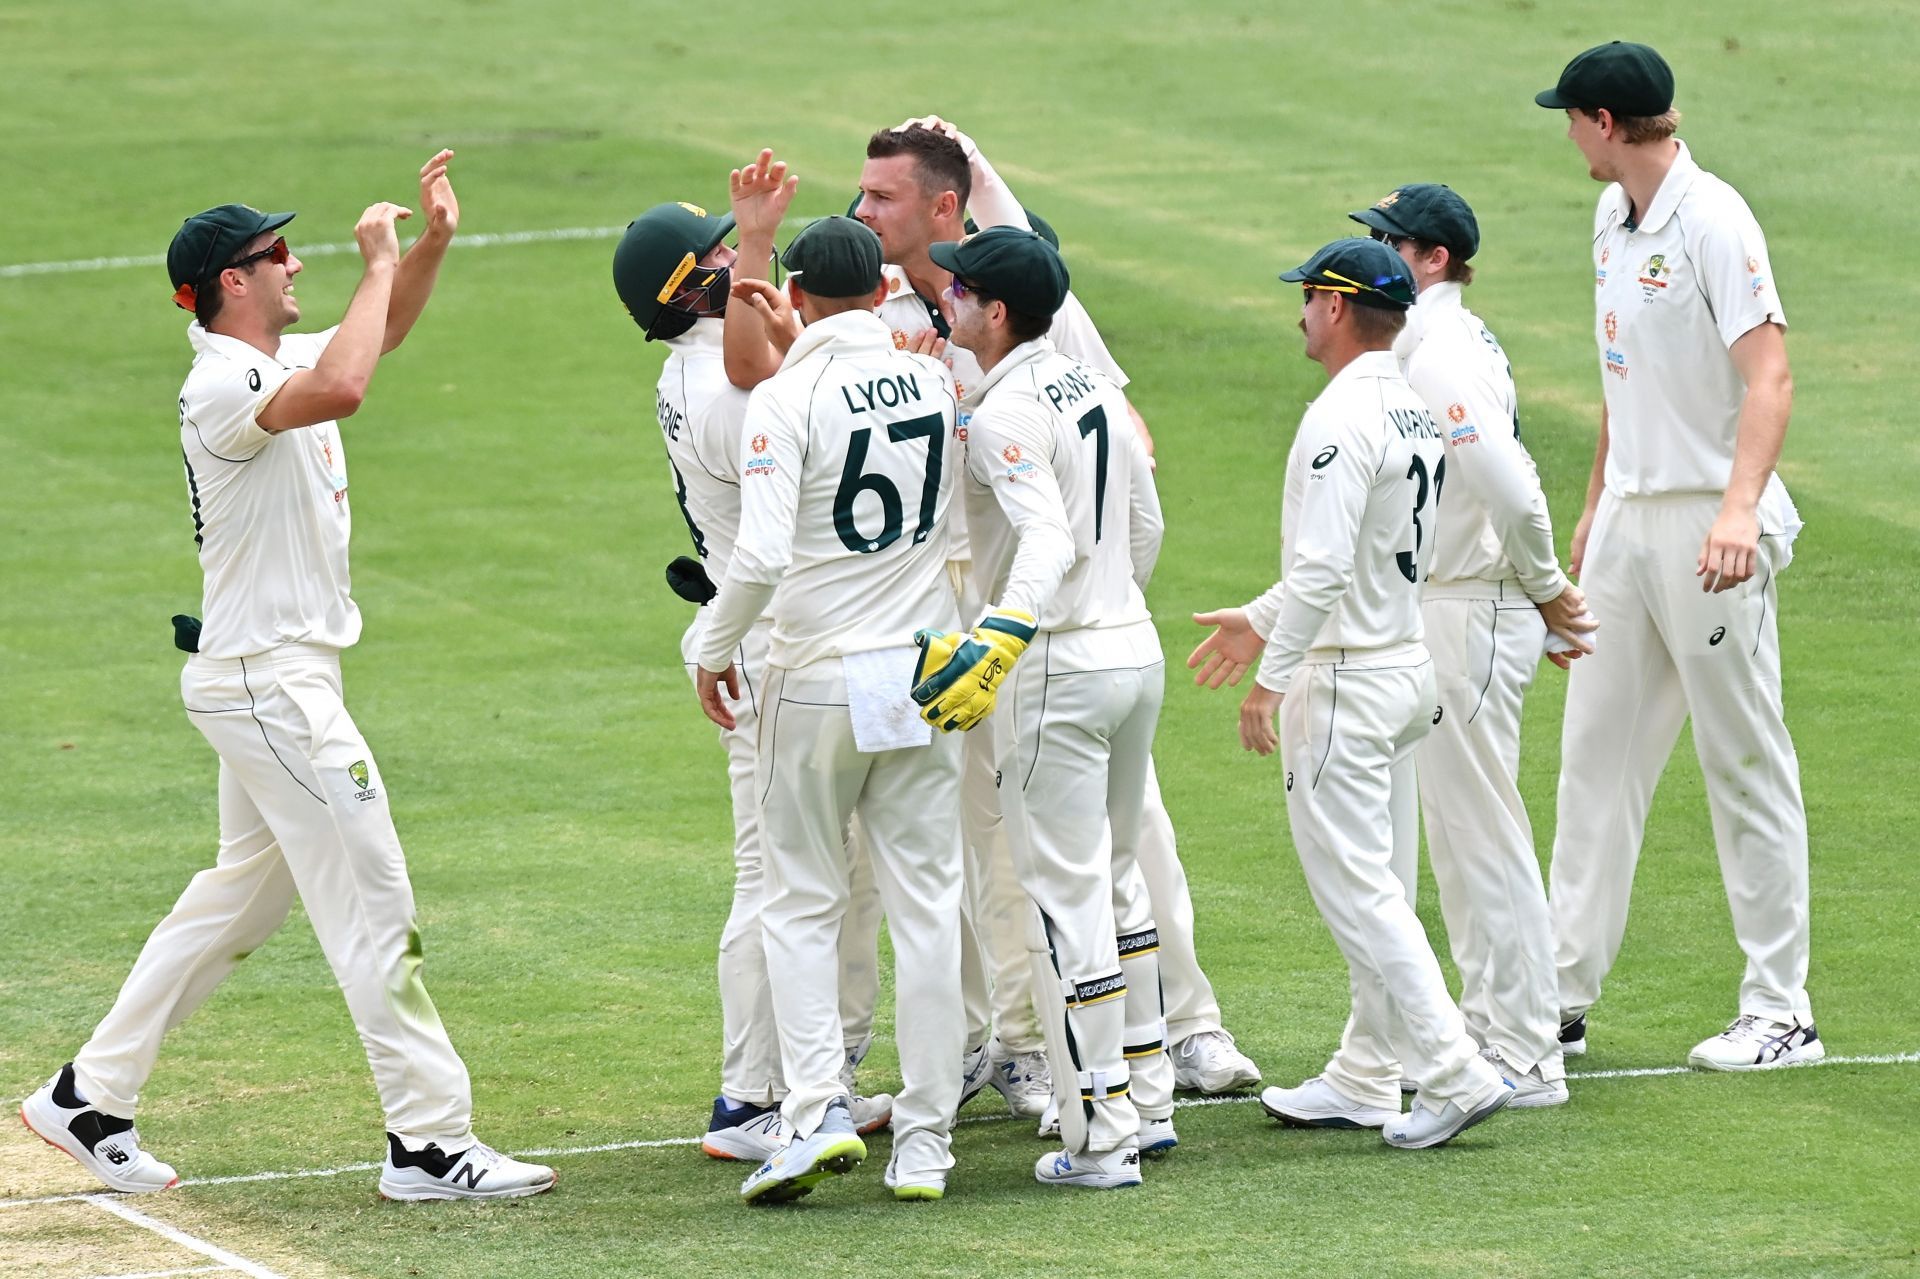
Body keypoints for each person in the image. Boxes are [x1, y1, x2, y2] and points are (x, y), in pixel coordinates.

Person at [19, 154, 558, 1202]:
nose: (292, 261)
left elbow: (377, 335)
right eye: (275, 254)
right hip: (272, 689)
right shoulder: (224, 378)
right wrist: (376, 259)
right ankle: (429, 1142)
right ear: (233, 281)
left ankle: (88, 1096)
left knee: (234, 905)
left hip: (271, 680)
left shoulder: (268, 358)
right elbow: (348, 384)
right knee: (374, 894)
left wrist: (430, 247)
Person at [1194, 238, 1512, 1149]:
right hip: (1403, 665)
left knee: (1361, 892)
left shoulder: (1339, 417)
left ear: (1336, 308)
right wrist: (1262, 614)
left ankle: (1451, 1070)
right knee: (1383, 884)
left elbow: (1328, 564)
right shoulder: (1411, 409)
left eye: (1307, 297)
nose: (1299, 311)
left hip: (1347, 679)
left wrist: (1270, 676)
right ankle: (1369, 1072)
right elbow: (1356, 555)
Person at [1535, 42, 1816, 1070]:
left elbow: (1770, 376)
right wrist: (1595, 505)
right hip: (1629, 523)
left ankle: (1781, 1008)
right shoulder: (1610, 218)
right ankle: (1558, 993)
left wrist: (1737, 511)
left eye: (1571, 117)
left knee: (1741, 756)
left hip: (1709, 525)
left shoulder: (1715, 220)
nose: (1567, 134)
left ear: (1605, 122)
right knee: (1593, 757)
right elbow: (1622, 379)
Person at [610, 199, 892, 1166]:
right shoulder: (730, 390)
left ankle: (806, 1081)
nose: (738, 259)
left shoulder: (690, 369)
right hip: (774, 650)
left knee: (811, 874)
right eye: (719, 253)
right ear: (691, 288)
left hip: (774, 645)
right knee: (780, 877)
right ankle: (751, 1097)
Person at [697, 216, 966, 1203]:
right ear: (881, 286)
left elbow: (762, 557)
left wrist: (707, 644)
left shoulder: (786, 396)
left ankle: (811, 1112)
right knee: (929, 907)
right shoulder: (934, 377)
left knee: (802, 900)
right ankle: (928, 1139)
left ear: (797, 291)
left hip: (816, 677)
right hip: (923, 669)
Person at [913, 226, 1171, 1188]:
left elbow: (1046, 537)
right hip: (1129, 648)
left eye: (961, 288)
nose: (947, 300)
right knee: (1113, 877)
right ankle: (1145, 1095)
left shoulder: (1010, 408)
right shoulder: (1086, 380)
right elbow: (1144, 523)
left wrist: (1002, 636)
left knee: (1062, 900)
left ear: (998, 311)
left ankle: (1100, 1132)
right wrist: (1114, 605)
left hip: (1060, 666)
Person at [1347, 183, 1597, 1106]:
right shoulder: (1436, 338)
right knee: (1460, 833)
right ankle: (1494, 1031)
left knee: (1482, 829)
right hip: (1454, 604)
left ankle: (1526, 1052)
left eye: (1389, 242)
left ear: (1433, 259)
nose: (1374, 256)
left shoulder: (1441, 349)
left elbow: (1512, 482)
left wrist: (1545, 589)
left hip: (1472, 603)